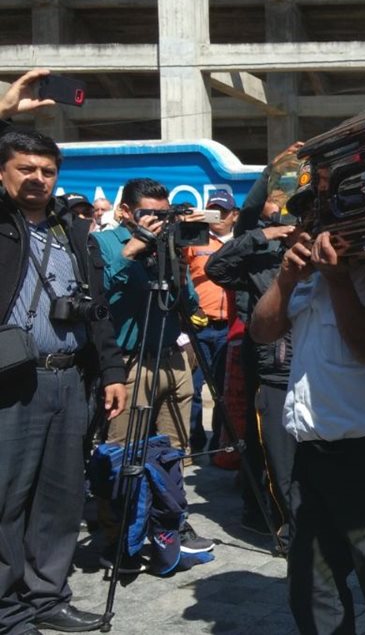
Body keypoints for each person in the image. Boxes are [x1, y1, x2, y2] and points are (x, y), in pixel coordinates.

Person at [250, 222, 365, 632]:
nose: (312, 235)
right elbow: (261, 330)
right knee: (311, 585)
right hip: (310, 453)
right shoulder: (304, 277)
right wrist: (287, 280)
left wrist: (338, 281)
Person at [0, 124, 126, 633]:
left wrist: (113, 370)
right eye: (25, 169)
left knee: (60, 496)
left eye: (47, 171)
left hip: (69, 379)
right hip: (11, 381)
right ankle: (7, 610)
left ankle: (47, 596)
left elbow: (98, 309)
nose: (37, 179)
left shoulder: (71, 229)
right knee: (7, 498)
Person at [91, 177, 215, 558]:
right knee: (123, 453)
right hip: (129, 361)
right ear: (126, 211)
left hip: (172, 357)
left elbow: (187, 301)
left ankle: (171, 524)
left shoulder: (170, 244)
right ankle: (118, 535)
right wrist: (133, 249)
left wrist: (177, 267)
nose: (158, 222)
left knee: (173, 450)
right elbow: (99, 297)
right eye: (149, 214)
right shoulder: (104, 243)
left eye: (164, 215)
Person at [205, 145, 302, 542]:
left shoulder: (309, 250)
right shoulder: (256, 250)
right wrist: (264, 231)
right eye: (277, 202)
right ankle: (278, 522)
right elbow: (218, 265)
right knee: (270, 450)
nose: (283, 210)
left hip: (308, 364)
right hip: (270, 364)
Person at [183, 189, 238, 453]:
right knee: (192, 390)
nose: (217, 218)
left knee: (224, 392)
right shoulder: (194, 240)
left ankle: (220, 445)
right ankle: (194, 444)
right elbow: (180, 277)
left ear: (234, 215)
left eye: (223, 212)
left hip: (230, 328)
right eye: (212, 211)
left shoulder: (241, 242)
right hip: (198, 327)